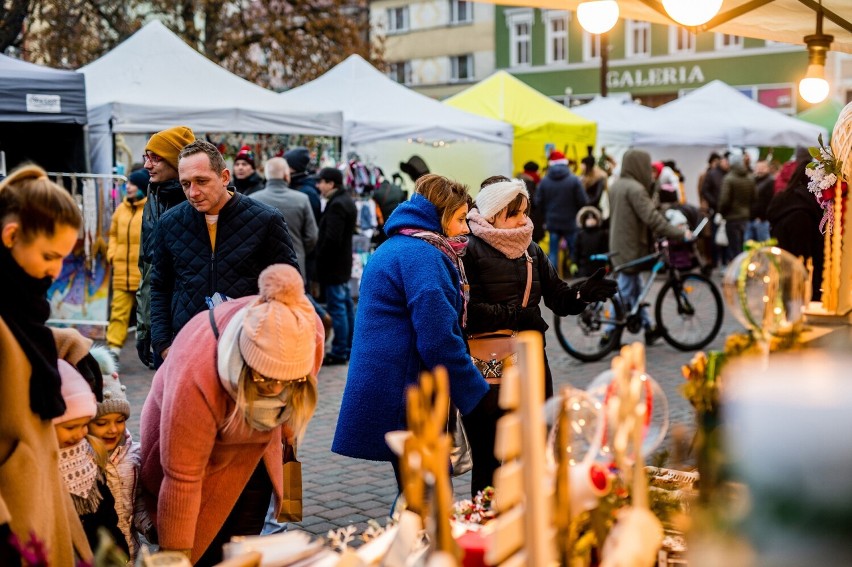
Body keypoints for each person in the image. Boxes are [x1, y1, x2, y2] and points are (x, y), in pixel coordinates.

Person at [140, 264, 324, 565]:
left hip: (255, 452)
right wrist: (175, 557)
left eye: (290, 383)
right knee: (202, 544)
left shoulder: (307, 329)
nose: (279, 389)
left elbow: (288, 424)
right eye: (267, 381)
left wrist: (287, 450)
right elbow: (182, 480)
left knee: (242, 545)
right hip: (190, 448)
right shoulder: (195, 371)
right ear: (245, 367)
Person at [332, 174, 493, 496]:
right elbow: (438, 341)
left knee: (418, 490)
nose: (465, 229)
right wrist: (478, 396)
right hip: (406, 392)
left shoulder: (402, 246)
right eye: (461, 219)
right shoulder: (423, 256)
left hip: (396, 384)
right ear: (440, 215)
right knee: (427, 496)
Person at [462, 177, 616, 491]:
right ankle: (486, 524)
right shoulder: (469, 250)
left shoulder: (531, 248)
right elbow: (466, 311)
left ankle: (527, 524)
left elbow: (558, 298)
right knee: (489, 455)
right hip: (487, 362)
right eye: (515, 213)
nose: (524, 220)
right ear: (493, 213)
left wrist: (582, 294)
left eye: (525, 211)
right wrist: (515, 315)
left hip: (531, 359)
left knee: (533, 448)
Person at [0, 165, 92, 565]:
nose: (56, 272)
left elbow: (20, 340)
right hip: (11, 513)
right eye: (50, 256)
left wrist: (69, 345)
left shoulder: (19, 301)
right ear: (11, 236)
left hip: (31, 494)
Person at [149, 140, 299, 366]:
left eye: (202, 181)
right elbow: (160, 286)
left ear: (224, 177)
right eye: (185, 184)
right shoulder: (169, 223)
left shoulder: (265, 219)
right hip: (188, 347)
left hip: (248, 347)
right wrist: (163, 345)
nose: (194, 192)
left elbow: (289, 285)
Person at [607, 150, 690, 345]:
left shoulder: (617, 185)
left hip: (621, 243)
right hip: (631, 246)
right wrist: (679, 234)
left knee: (636, 288)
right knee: (626, 290)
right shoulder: (635, 189)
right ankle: (609, 334)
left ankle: (649, 327)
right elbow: (651, 218)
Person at [53, 360, 128, 558]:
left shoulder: (90, 452)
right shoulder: (46, 467)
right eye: (70, 427)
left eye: (84, 425)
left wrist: (118, 549)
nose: (80, 434)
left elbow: (106, 511)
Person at [136, 126, 196, 369]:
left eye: (155, 158)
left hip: (193, 322)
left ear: (175, 161)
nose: (147, 165)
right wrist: (145, 328)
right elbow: (148, 270)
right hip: (163, 321)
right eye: (146, 157)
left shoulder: (200, 201)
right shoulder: (155, 196)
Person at [89, 370, 152, 562]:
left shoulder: (135, 455)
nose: (113, 429)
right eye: (102, 423)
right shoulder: (82, 463)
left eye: (120, 421)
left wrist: (150, 526)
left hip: (131, 554)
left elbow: (139, 502)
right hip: (97, 558)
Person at [252, 157, 318, 284]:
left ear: (266, 175)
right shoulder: (302, 199)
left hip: (262, 268)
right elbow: (312, 236)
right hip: (295, 266)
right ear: (286, 175)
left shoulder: (253, 200)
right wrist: (298, 250)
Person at [106, 168, 148, 365]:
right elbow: (112, 234)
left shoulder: (150, 210)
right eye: (127, 183)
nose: (128, 187)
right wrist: (112, 253)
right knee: (118, 313)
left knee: (148, 315)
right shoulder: (120, 210)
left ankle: (152, 351)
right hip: (122, 272)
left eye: (133, 184)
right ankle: (113, 350)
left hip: (143, 274)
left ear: (142, 188)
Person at [315, 167, 357, 365]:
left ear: (331, 183)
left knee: (338, 306)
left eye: (321, 181)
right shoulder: (345, 200)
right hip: (342, 263)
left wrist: (319, 257)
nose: (318, 185)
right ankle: (348, 346)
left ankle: (340, 349)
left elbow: (332, 238)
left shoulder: (337, 204)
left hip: (334, 265)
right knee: (346, 304)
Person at [766, 159, 824, 301]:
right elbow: (802, 256)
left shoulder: (790, 200)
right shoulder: (802, 211)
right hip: (800, 286)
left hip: (783, 277)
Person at [536, 150, 588, 275]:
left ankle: (553, 279)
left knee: (553, 252)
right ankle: (576, 276)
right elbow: (583, 200)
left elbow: (538, 202)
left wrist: (546, 215)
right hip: (571, 221)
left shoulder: (544, 181)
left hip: (552, 222)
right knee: (573, 250)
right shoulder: (574, 180)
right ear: (565, 164)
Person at [719, 153, 756, 264]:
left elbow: (724, 200)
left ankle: (737, 274)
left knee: (734, 249)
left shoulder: (729, 179)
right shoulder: (750, 177)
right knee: (744, 247)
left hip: (732, 218)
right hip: (746, 217)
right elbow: (755, 197)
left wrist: (721, 212)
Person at [573, 206, 609, 278]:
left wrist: (607, 263)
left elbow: (606, 249)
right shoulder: (580, 235)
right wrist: (574, 263)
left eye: (593, 218)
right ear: (584, 220)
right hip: (584, 267)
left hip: (599, 266)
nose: (591, 220)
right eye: (588, 219)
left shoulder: (602, 234)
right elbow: (576, 250)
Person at [746, 159, 775, 242]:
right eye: (758, 167)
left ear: (768, 168)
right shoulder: (753, 181)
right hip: (750, 219)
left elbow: (769, 202)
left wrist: (762, 217)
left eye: (762, 167)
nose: (760, 169)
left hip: (762, 221)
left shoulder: (770, 181)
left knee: (763, 248)